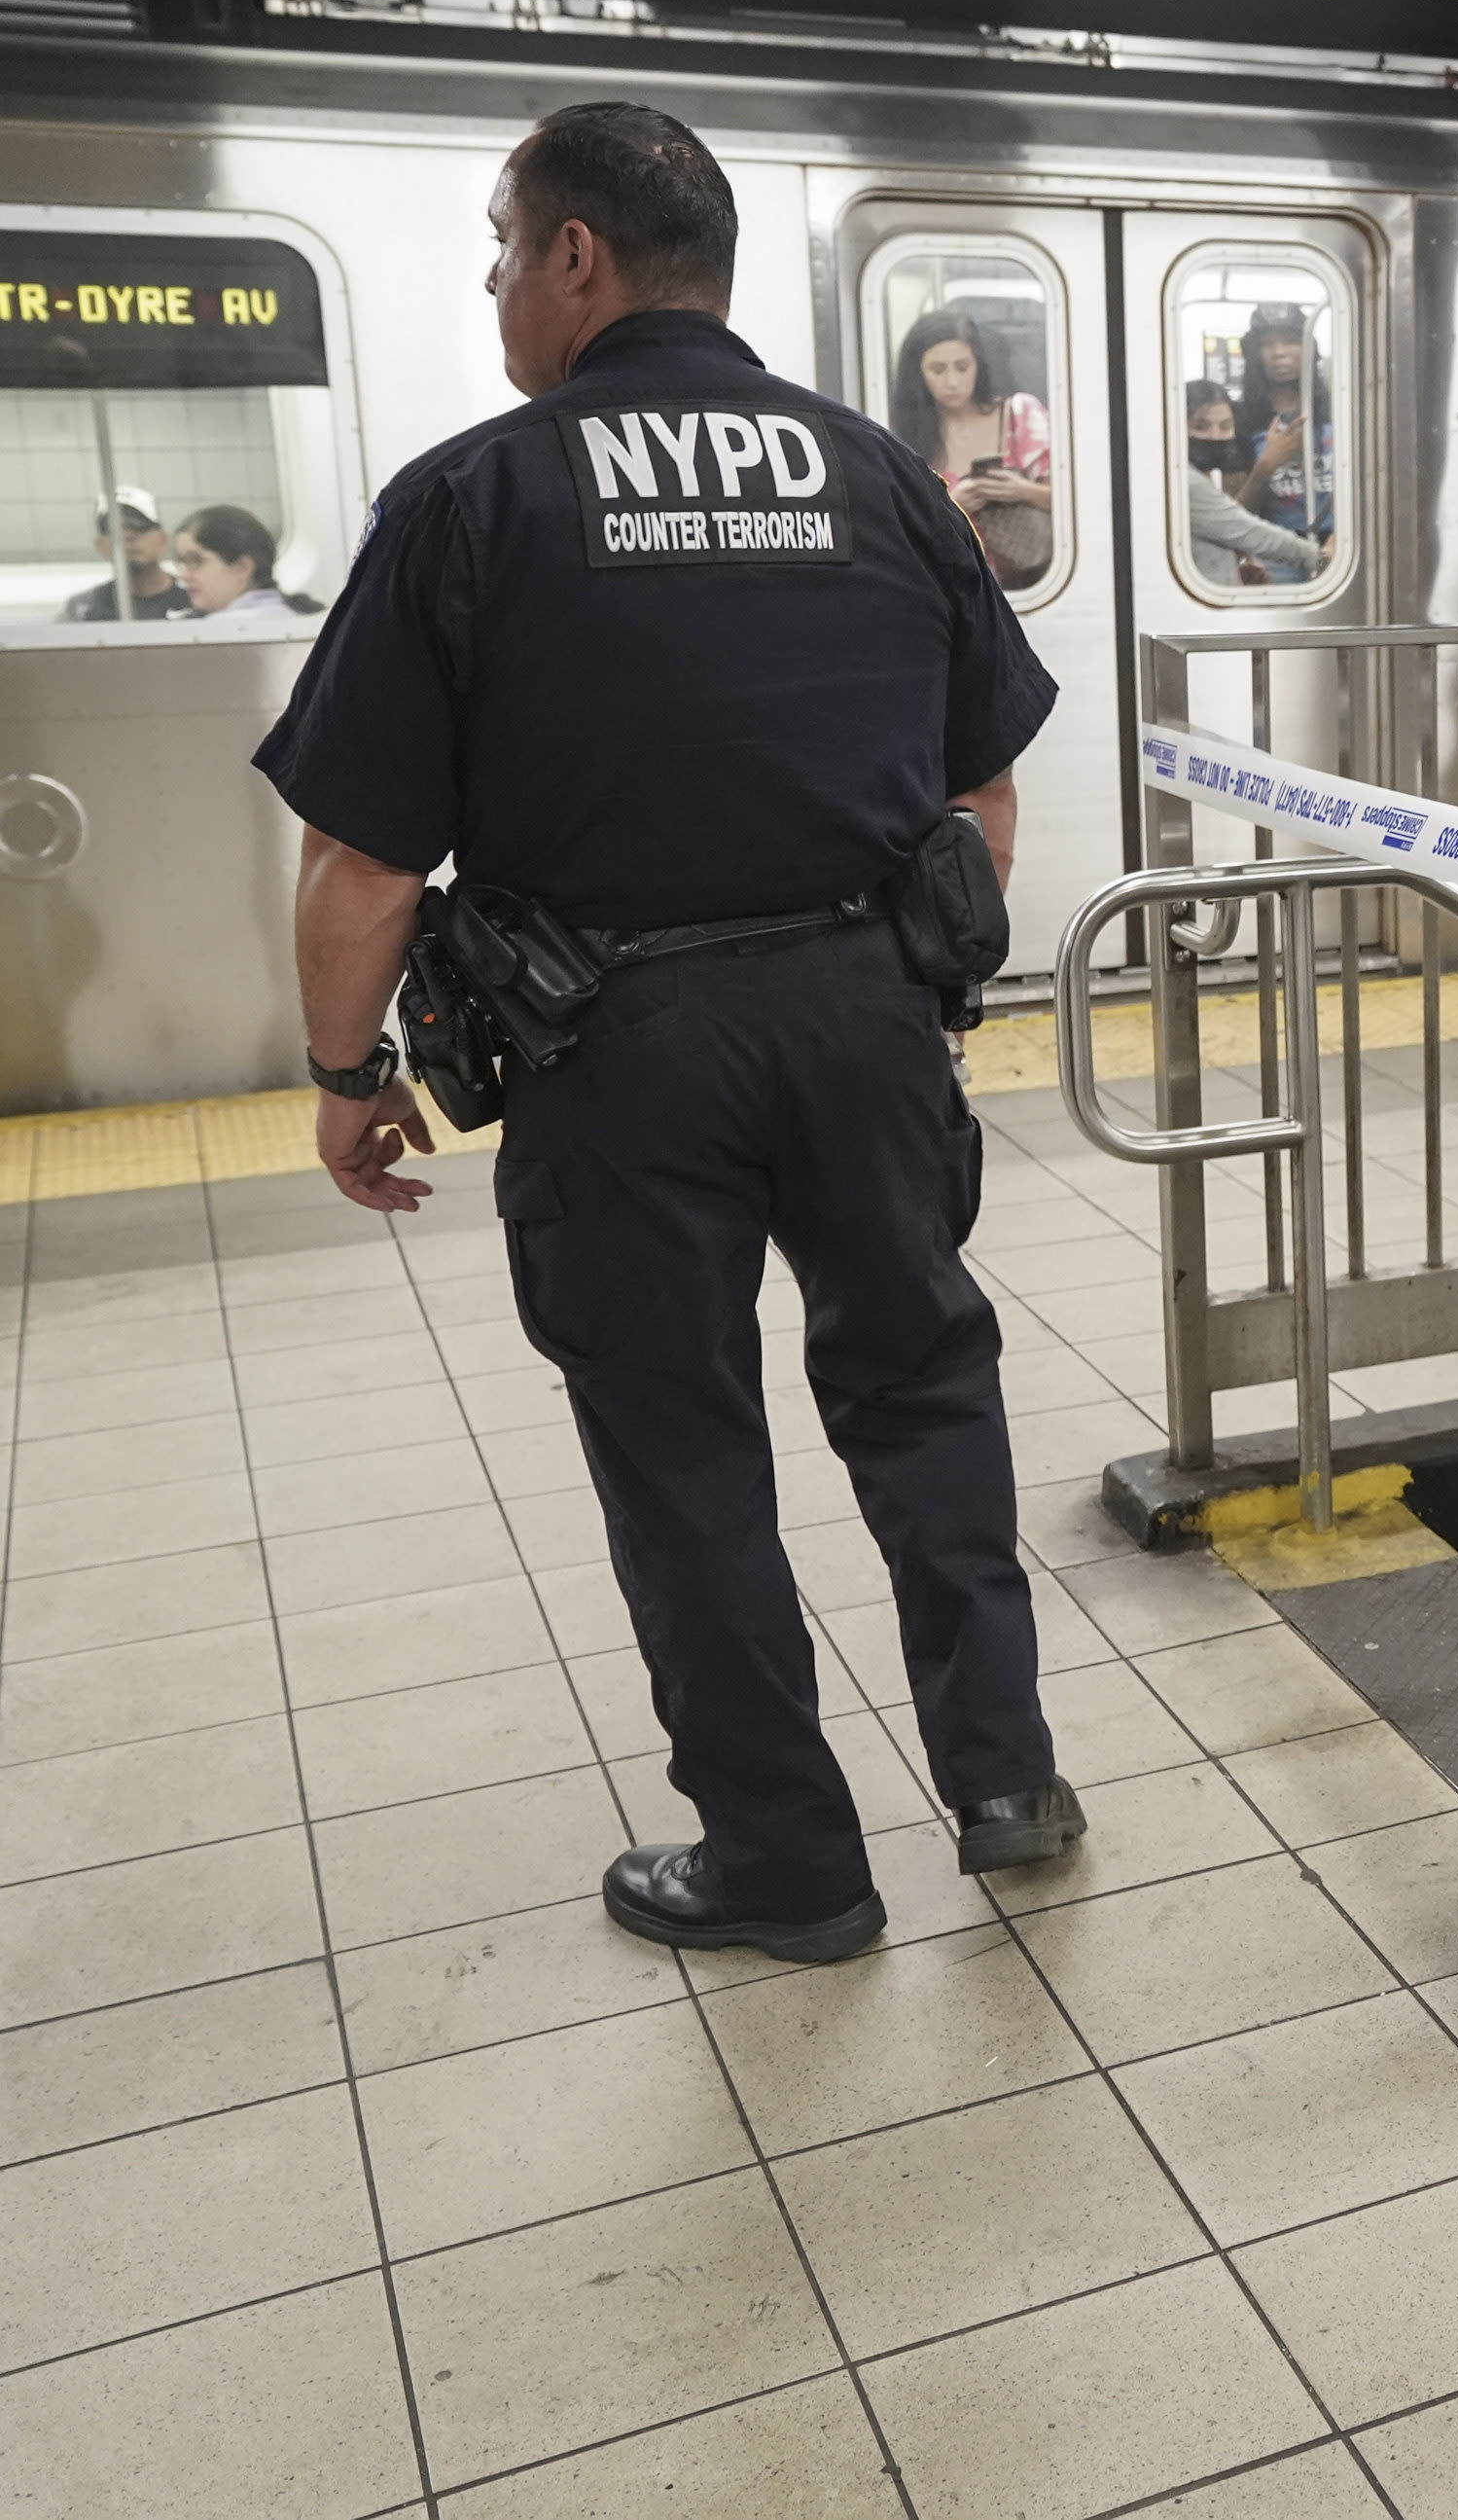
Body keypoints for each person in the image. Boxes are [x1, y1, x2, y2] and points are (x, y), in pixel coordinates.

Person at [255, 99, 1083, 1965]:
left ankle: (791, 1860)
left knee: (683, 1441)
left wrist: (342, 1078)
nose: (489, 288)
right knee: (925, 1387)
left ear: (576, 258)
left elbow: (361, 865)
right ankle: (1009, 1778)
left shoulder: (476, 498)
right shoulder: (877, 477)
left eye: (499, 250)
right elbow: (987, 799)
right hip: (869, 1014)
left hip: (620, 1052)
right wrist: (899, 996)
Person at [887, 304, 1053, 589]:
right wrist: (951, 508)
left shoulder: (1021, 415)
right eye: (937, 370)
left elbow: (1076, 506)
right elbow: (896, 535)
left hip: (1027, 586)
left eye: (962, 367)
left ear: (979, 364)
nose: (953, 381)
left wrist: (1022, 491)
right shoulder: (904, 441)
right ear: (918, 374)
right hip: (949, 588)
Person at [1180, 382, 1321, 589]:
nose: (1215, 436)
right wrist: (1326, 561)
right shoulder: (1187, 482)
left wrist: (1236, 567)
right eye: (1200, 427)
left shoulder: (1207, 476)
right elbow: (1255, 536)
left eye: (1225, 426)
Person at [1232, 302, 1330, 542]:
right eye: (1267, 344)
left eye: (1290, 341)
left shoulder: (1340, 409)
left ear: (1309, 348)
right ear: (1255, 354)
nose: (1279, 352)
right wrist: (1266, 467)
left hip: (1339, 545)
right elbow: (1232, 516)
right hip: (1276, 548)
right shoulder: (1240, 420)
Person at [59, 489, 191, 621]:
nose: (127, 536)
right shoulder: (83, 610)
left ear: (163, 540)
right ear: (99, 545)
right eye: (111, 527)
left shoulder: (196, 598)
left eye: (139, 525)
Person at [172, 504, 320, 617]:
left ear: (242, 568)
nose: (183, 575)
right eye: (181, 562)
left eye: (195, 561)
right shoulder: (289, 614)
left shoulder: (225, 631)